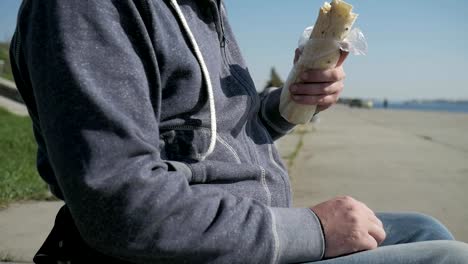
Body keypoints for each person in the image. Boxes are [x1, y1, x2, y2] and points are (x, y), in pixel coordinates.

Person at [10, 1, 468, 263]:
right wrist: (313, 229)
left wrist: (289, 100)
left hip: (247, 234)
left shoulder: (206, 9)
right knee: (449, 259)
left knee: (424, 231)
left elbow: (218, 131)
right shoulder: (85, 10)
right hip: (186, 255)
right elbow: (120, 207)